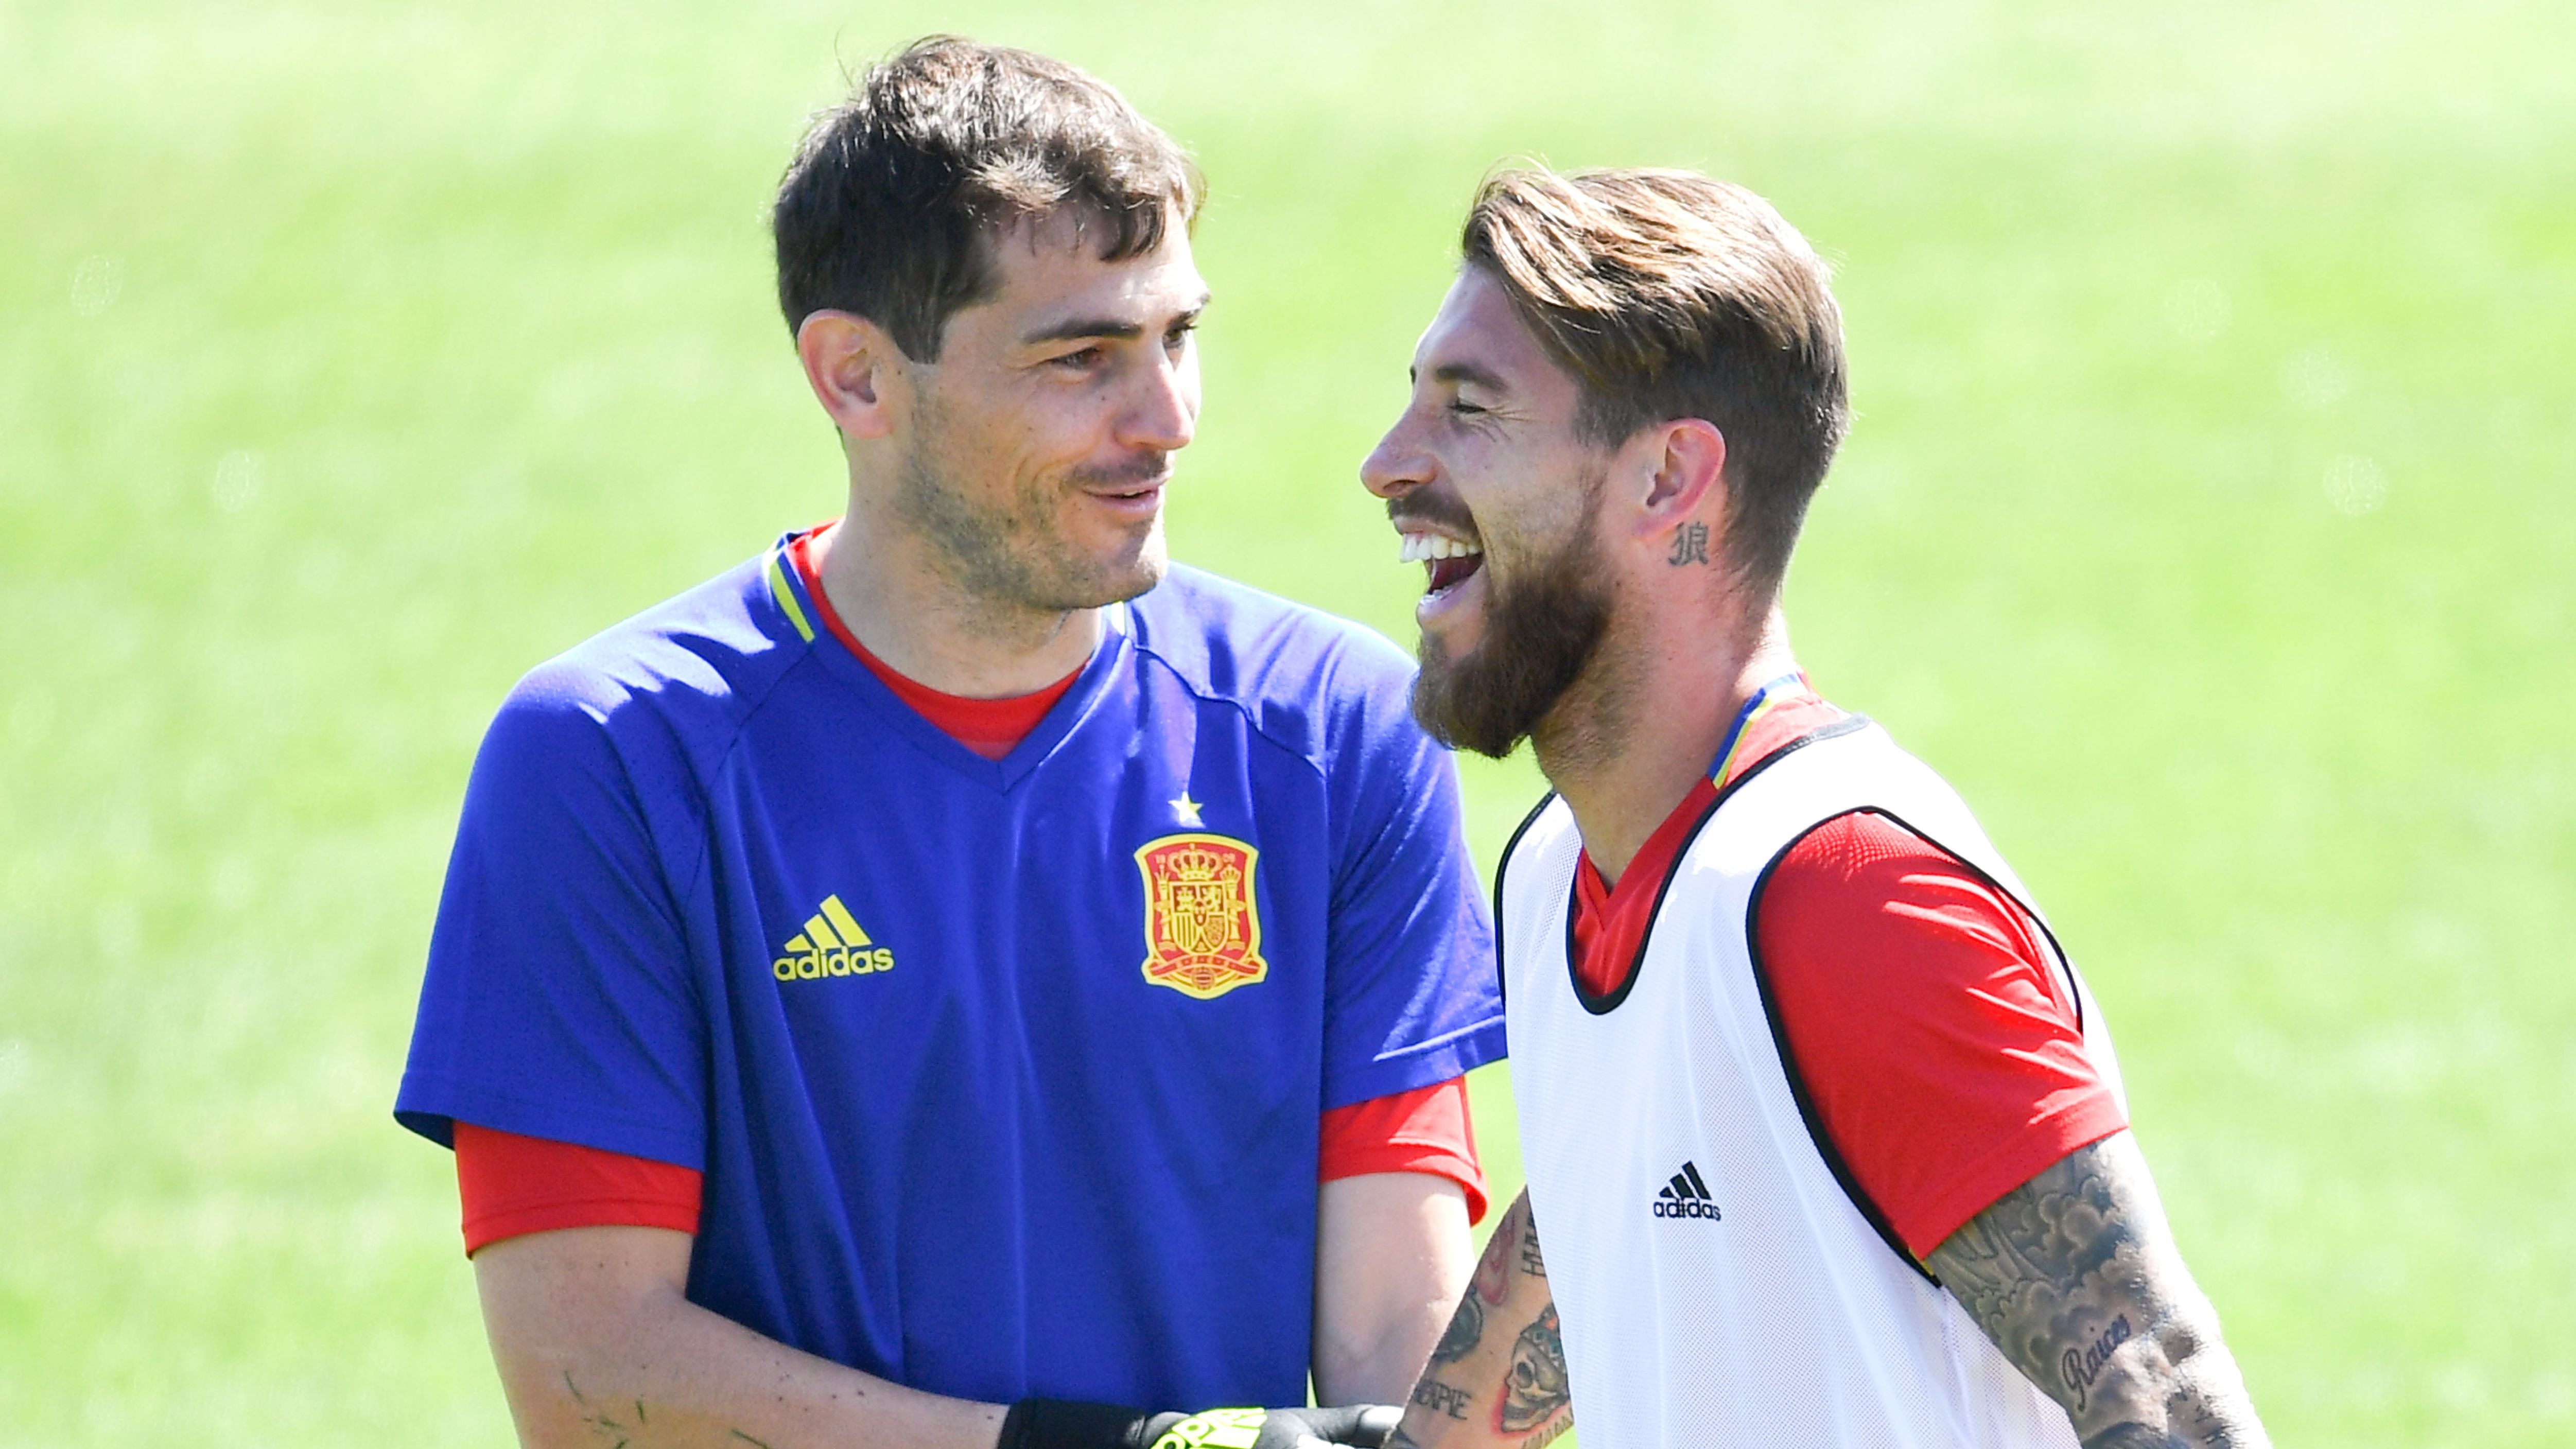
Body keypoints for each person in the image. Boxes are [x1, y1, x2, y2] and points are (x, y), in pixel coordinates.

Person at [394, 38, 1505, 1449]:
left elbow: (1392, 1340)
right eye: (1079, 358)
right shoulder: (614, 759)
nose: (1165, 420)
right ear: (854, 376)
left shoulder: (1335, 732)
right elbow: (586, 1373)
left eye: (1177, 336)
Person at [1361, 167, 2270, 1448]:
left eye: (1470, 409)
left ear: (1670, 476)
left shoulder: (1848, 894)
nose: (1388, 464)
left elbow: (2160, 1389)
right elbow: (1625, 1199)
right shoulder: (1563, 863)